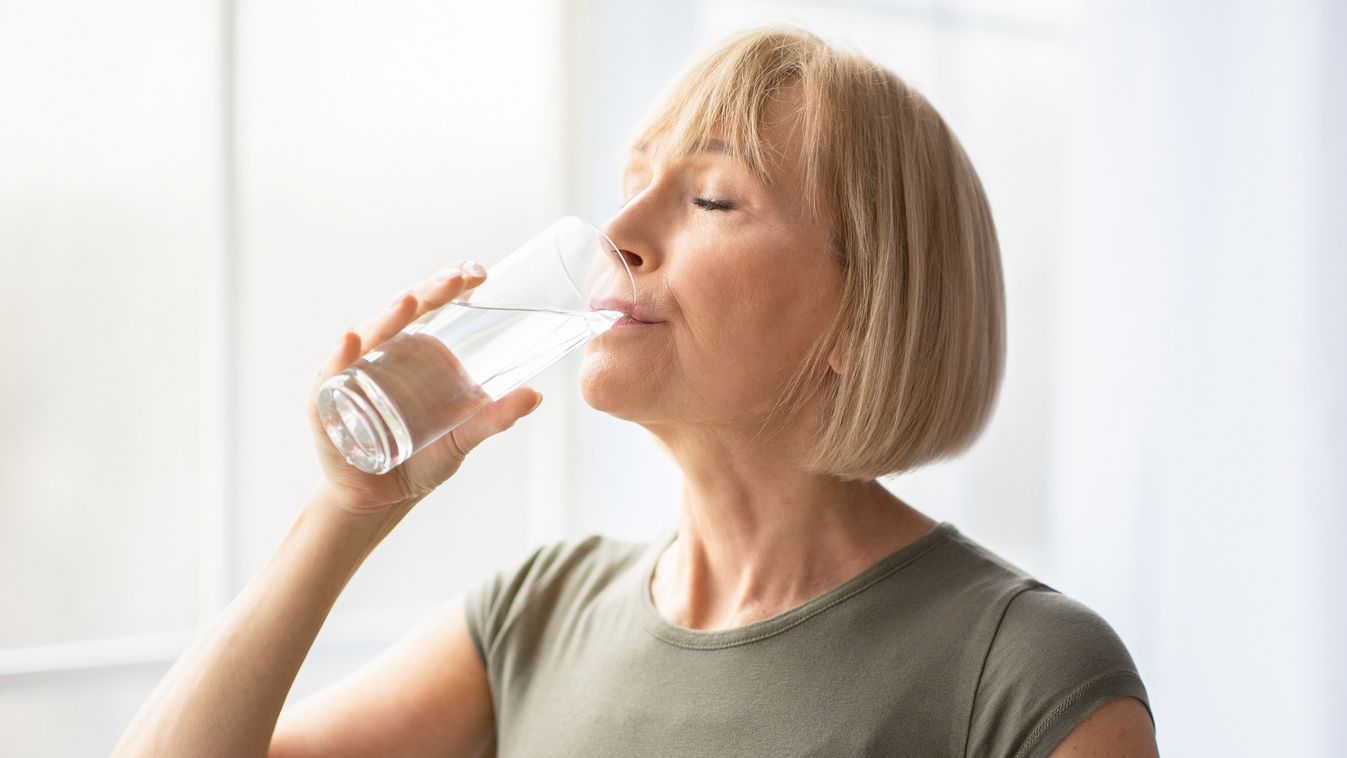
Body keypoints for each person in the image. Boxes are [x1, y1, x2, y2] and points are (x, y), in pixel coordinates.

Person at [115, 25, 1157, 758]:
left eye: (709, 196)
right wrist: (342, 511)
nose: (617, 236)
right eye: (632, 184)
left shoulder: (1022, 672)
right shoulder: (541, 610)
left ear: (861, 315)